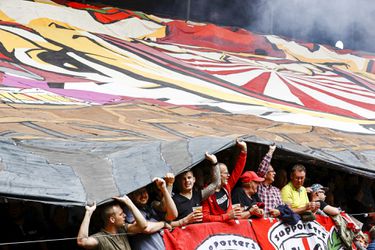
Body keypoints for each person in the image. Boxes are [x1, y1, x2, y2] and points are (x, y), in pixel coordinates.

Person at [77, 195, 148, 250]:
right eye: (121, 214)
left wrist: (129, 202)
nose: (125, 215)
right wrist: (89, 212)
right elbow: (82, 241)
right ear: (112, 219)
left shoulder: (123, 229)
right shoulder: (101, 238)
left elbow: (143, 225)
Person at [202, 139, 247, 222]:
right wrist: (226, 216)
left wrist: (244, 150)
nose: (228, 175)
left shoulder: (227, 186)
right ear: (218, 175)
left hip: (230, 227)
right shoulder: (206, 193)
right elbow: (205, 217)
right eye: (226, 173)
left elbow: (238, 170)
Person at [127, 176, 177, 250]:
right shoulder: (128, 210)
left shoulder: (149, 206)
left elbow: (173, 215)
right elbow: (146, 228)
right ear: (131, 196)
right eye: (138, 193)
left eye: (144, 191)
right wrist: (163, 224)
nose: (143, 195)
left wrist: (164, 188)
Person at [171, 152, 220, 227]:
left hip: (198, 234)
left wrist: (214, 162)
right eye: (184, 179)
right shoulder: (174, 200)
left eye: (189, 177)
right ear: (179, 182)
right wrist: (184, 221)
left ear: (194, 180)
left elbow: (215, 184)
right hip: (182, 235)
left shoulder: (198, 195)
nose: (187, 181)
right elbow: (167, 224)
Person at [256, 143, 282, 217]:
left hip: (273, 225)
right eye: (272, 171)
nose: (274, 173)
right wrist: (271, 151)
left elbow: (281, 207)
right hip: (261, 223)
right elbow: (262, 169)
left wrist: (279, 211)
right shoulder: (259, 187)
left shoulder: (276, 190)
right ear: (265, 174)